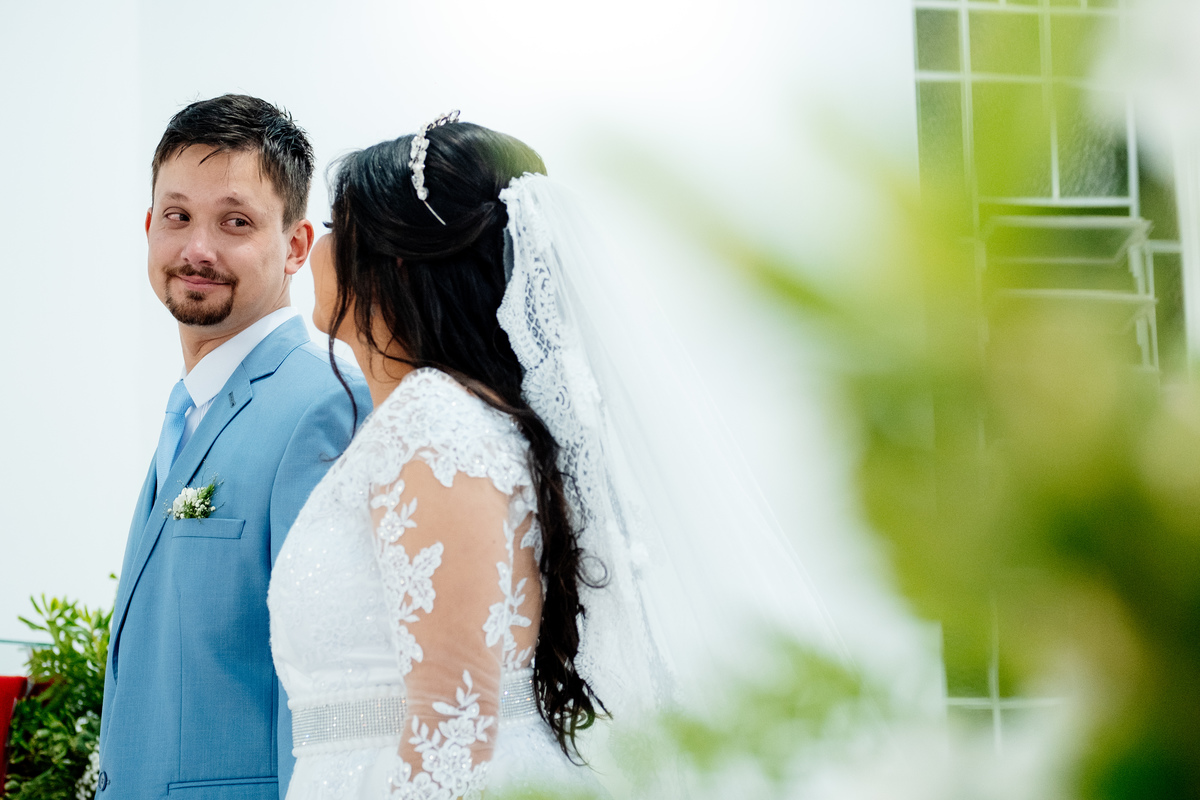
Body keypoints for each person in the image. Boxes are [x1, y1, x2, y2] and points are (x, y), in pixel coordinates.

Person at [269, 113, 844, 799]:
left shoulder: (433, 424)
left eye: (335, 229)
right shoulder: (442, 417)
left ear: (392, 264)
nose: (316, 249)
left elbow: (453, 723)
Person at [97, 94, 371, 800]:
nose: (197, 248)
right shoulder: (185, 407)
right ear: (149, 226)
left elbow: (325, 688)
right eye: (178, 216)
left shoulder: (324, 406)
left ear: (296, 246)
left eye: (236, 222)